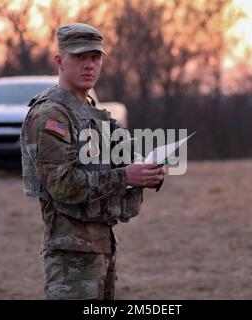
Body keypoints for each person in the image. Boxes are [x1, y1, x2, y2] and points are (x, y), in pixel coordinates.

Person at [20, 22, 165, 300]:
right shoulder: (51, 116)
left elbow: (123, 157)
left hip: (101, 245)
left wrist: (150, 171)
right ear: (59, 61)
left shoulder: (91, 111)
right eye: (79, 57)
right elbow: (62, 185)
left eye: (95, 57)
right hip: (70, 257)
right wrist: (126, 177)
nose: (89, 65)